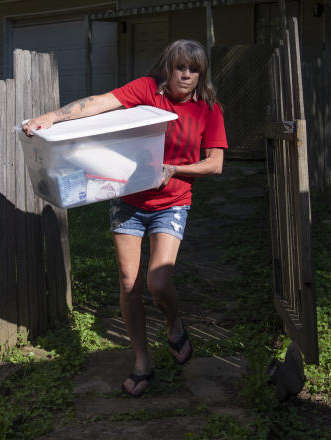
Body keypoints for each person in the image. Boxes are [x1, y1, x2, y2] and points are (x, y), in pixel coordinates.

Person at [22, 39, 227, 397]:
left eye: (194, 70)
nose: (187, 75)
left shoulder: (208, 109)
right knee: (129, 283)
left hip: (172, 201)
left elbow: (216, 163)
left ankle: (173, 320)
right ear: (168, 66)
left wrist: (175, 168)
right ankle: (142, 362)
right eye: (181, 67)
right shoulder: (148, 90)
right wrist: (51, 118)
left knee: (159, 282)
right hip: (128, 200)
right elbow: (100, 103)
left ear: (201, 74)